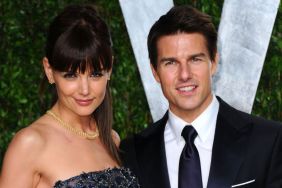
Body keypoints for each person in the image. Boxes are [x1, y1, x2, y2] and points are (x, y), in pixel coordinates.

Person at [120, 5, 282, 188]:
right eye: (171, 62)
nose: (184, 75)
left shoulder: (269, 141)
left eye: (195, 59)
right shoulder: (132, 153)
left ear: (213, 62)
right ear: (155, 72)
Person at [0, 4, 139, 187]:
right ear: (49, 71)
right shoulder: (30, 144)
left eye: (95, 74)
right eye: (71, 75)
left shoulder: (112, 139)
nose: (84, 89)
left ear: (109, 69)